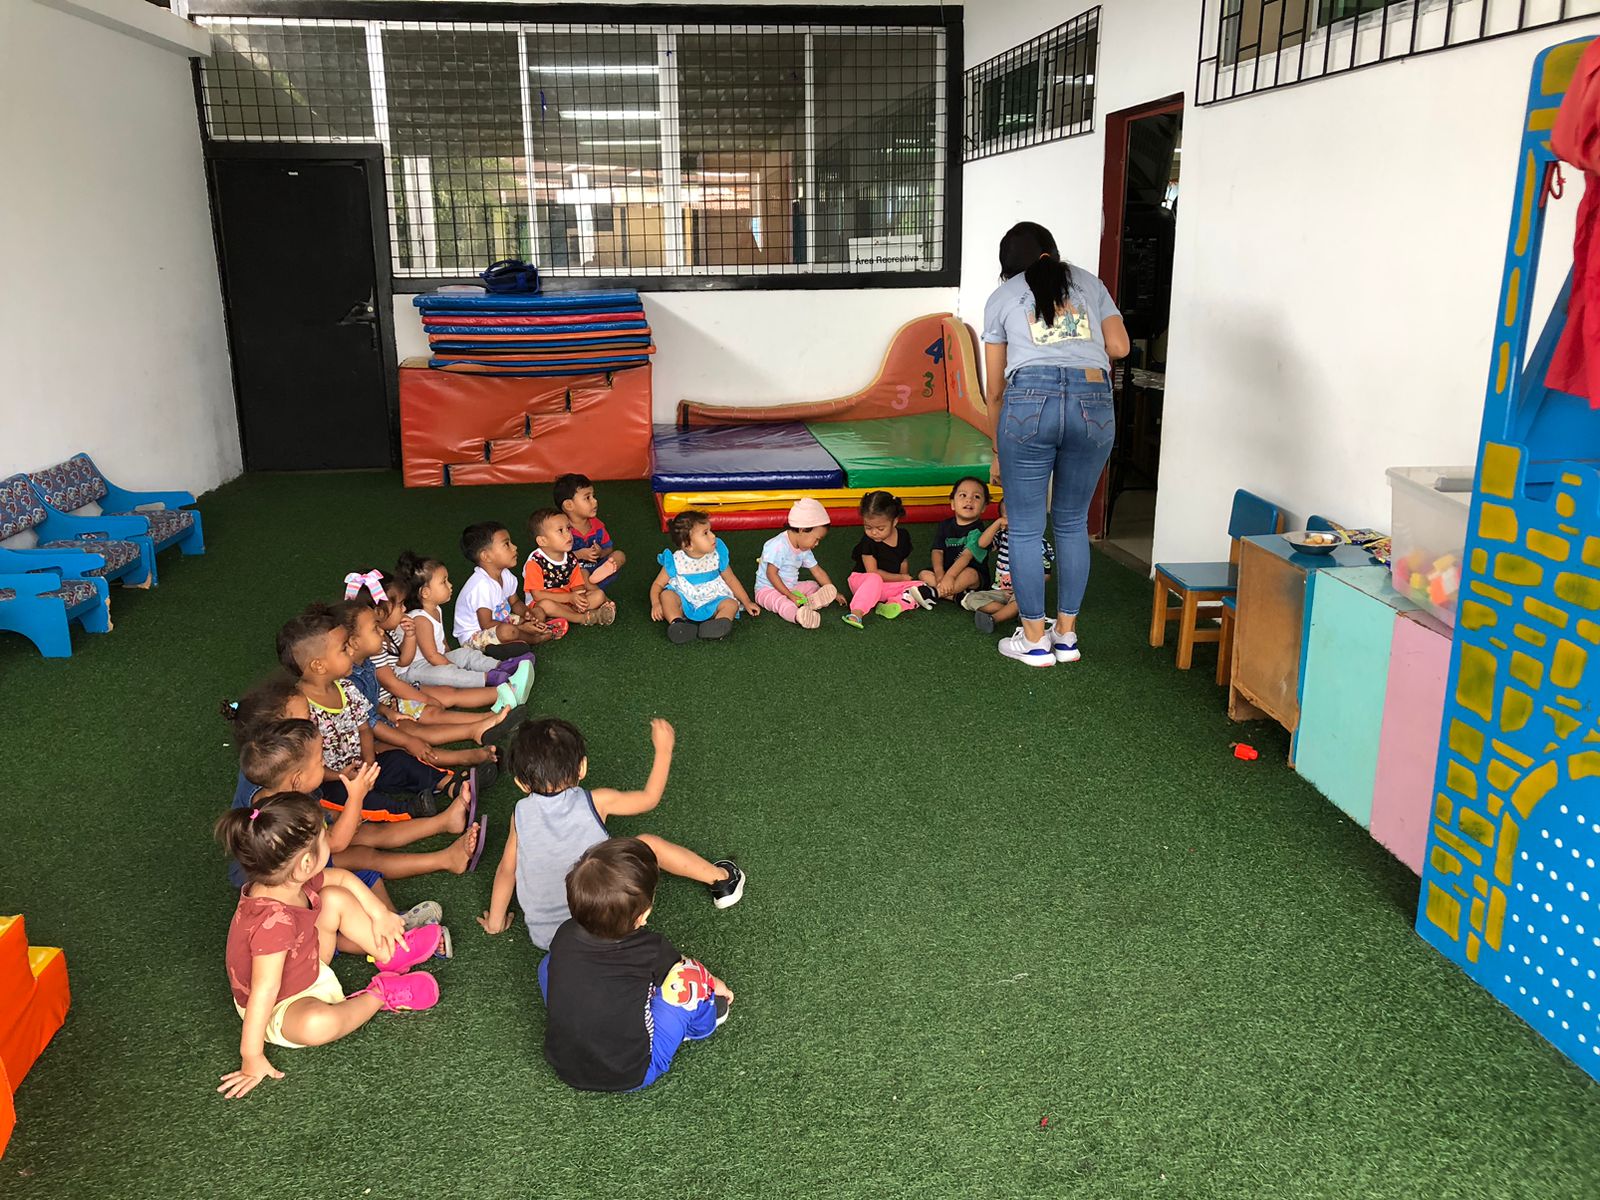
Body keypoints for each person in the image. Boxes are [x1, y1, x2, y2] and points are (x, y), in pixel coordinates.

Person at [216, 792, 448, 1099]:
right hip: (281, 1006)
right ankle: (381, 993)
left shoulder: (285, 881)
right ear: (306, 863)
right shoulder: (272, 924)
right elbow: (264, 991)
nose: (331, 837)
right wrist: (251, 1055)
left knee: (334, 898)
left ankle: (389, 951)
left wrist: (380, 914)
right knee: (317, 1025)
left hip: (306, 963)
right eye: (325, 834)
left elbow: (342, 879)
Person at [982, 220, 1130, 666]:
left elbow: (994, 390)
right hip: (1093, 400)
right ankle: (1066, 636)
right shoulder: (1090, 283)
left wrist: (996, 450)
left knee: (1026, 527)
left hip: (1029, 401)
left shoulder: (1002, 297)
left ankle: (1033, 640)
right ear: (1053, 252)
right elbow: (1119, 347)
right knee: (1071, 522)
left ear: (1008, 268)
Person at [477, 717, 744, 949]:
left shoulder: (520, 813)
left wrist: (496, 921)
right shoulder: (597, 800)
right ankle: (722, 880)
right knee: (647, 844)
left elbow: (507, 869)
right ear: (582, 767)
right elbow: (649, 798)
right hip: (609, 924)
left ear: (521, 784)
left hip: (549, 938)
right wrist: (664, 750)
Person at [539, 837, 732, 1092]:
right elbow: (684, 972)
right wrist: (715, 984)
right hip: (634, 1072)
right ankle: (703, 1022)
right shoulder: (651, 948)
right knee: (691, 976)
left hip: (565, 1064)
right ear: (643, 916)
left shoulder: (565, 933)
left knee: (548, 964)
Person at [228, 717, 486, 894]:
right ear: (296, 780)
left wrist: (337, 793)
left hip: (300, 848)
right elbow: (336, 843)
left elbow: (321, 815)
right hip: (284, 878)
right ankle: (446, 859)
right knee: (365, 856)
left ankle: (444, 822)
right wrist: (356, 797)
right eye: (320, 762)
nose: (324, 763)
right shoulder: (286, 816)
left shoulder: (269, 775)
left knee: (366, 832)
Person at [276, 604, 455, 820]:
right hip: (331, 781)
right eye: (344, 649)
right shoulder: (299, 708)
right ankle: (406, 810)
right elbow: (303, 765)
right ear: (318, 666)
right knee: (352, 799)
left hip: (362, 763)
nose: (351, 652)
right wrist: (340, 776)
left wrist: (368, 763)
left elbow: (364, 728)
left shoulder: (346, 687)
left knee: (399, 760)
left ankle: (448, 782)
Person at [395, 551, 536, 690]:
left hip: (435, 659)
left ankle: (501, 666)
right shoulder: (420, 619)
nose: (450, 585)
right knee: (448, 674)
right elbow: (431, 656)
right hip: (415, 669)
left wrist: (452, 657)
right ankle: (491, 678)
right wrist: (453, 666)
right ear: (425, 592)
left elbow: (442, 644)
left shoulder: (435, 609)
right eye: (444, 582)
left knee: (466, 654)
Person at [649, 509, 760, 643]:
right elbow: (658, 584)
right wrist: (656, 604)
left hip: (713, 599)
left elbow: (730, 579)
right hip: (685, 600)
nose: (713, 536)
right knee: (667, 596)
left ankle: (719, 624)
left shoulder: (717, 555)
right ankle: (677, 624)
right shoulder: (675, 560)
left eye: (710, 531)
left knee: (730, 604)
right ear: (688, 545)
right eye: (705, 533)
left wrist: (746, 601)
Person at [455, 522, 562, 651]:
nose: (514, 547)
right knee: (508, 631)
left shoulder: (505, 574)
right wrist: (521, 627)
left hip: (501, 620)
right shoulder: (481, 586)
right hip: (475, 635)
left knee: (538, 612)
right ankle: (535, 639)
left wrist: (529, 615)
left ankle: (522, 636)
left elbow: (515, 602)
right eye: (506, 544)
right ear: (486, 556)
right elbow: (486, 624)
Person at [843, 490, 935, 629]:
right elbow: (873, 572)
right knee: (875, 579)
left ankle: (894, 604)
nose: (874, 532)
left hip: (886, 586)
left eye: (880, 528)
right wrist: (901, 578)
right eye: (868, 527)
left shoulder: (903, 536)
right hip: (863, 583)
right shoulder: (868, 542)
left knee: (920, 586)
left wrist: (904, 580)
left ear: (895, 521)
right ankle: (857, 612)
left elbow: (903, 560)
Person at [960, 501, 1056, 633]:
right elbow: (982, 543)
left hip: (1023, 592)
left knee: (1022, 600)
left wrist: (1020, 589)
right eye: (1007, 516)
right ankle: (1017, 613)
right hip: (1000, 592)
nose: (1014, 520)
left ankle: (994, 619)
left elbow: (1046, 575)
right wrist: (998, 523)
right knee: (971, 598)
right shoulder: (1002, 536)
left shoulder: (1040, 544)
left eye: (1019, 515)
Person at [753, 498, 843, 629]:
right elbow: (771, 574)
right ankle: (798, 616)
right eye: (816, 539)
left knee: (813, 585)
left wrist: (833, 591)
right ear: (802, 529)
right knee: (783, 603)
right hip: (767, 590)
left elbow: (817, 571)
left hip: (791, 587)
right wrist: (789, 595)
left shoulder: (804, 548)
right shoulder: (777, 545)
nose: (817, 544)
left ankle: (810, 603)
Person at [523, 508, 617, 627]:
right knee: (546, 605)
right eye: (560, 531)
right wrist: (569, 597)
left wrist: (580, 599)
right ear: (543, 541)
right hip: (542, 603)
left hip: (569, 602)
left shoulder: (570, 558)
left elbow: (577, 584)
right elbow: (538, 595)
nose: (568, 534)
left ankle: (569, 615)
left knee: (599, 595)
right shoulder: (535, 562)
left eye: (568, 528)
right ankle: (582, 618)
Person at [920, 477, 993, 602]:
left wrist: (950, 577)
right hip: (946, 572)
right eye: (963, 495)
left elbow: (966, 557)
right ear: (953, 503)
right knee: (924, 574)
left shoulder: (980, 532)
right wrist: (940, 574)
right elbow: (937, 551)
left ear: (984, 507)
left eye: (976, 497)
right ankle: (957, 596)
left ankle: (935, 593)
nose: (969, 500)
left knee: (969, 574)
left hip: (973, 577)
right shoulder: (945, 525)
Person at [554, 473, 626, 589]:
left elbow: (608, 548)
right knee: (581, 572)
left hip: (596, 569)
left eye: (593, 496)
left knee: (619, 555)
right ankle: (594, 590)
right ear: (569, 505)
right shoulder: (560, 529)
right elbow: (554, 557)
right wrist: (579, 554)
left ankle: (598, 577)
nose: (595, 501)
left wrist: (600, 553)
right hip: (571, 573)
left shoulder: (598, 525)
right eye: (587, 498)